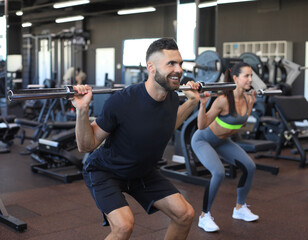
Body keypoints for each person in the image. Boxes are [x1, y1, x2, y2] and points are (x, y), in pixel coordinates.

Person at [72, 38, 200, 240]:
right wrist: (82, 111)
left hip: (143, 172)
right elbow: (86, 145)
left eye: (180, 63)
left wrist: (193, 102)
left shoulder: (172, 97)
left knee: (185, 214)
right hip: (106, 172)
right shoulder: (122, 101)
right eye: (171, 64)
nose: (179, 69)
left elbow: (166, 124)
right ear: (151, 67)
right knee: (123, 226)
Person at [191, 62, 259, 233]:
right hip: (203, 140)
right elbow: (201, 125)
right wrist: (203, 104)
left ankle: (239, 208)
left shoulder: (247, 98)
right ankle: (204, 216)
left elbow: (242, 122)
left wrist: (252, 103)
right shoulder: (222, 100)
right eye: (246, 76)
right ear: (235, 78)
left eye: (251, 76)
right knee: (218, 172)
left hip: (222, 142)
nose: (250, 79)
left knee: (250, 166)